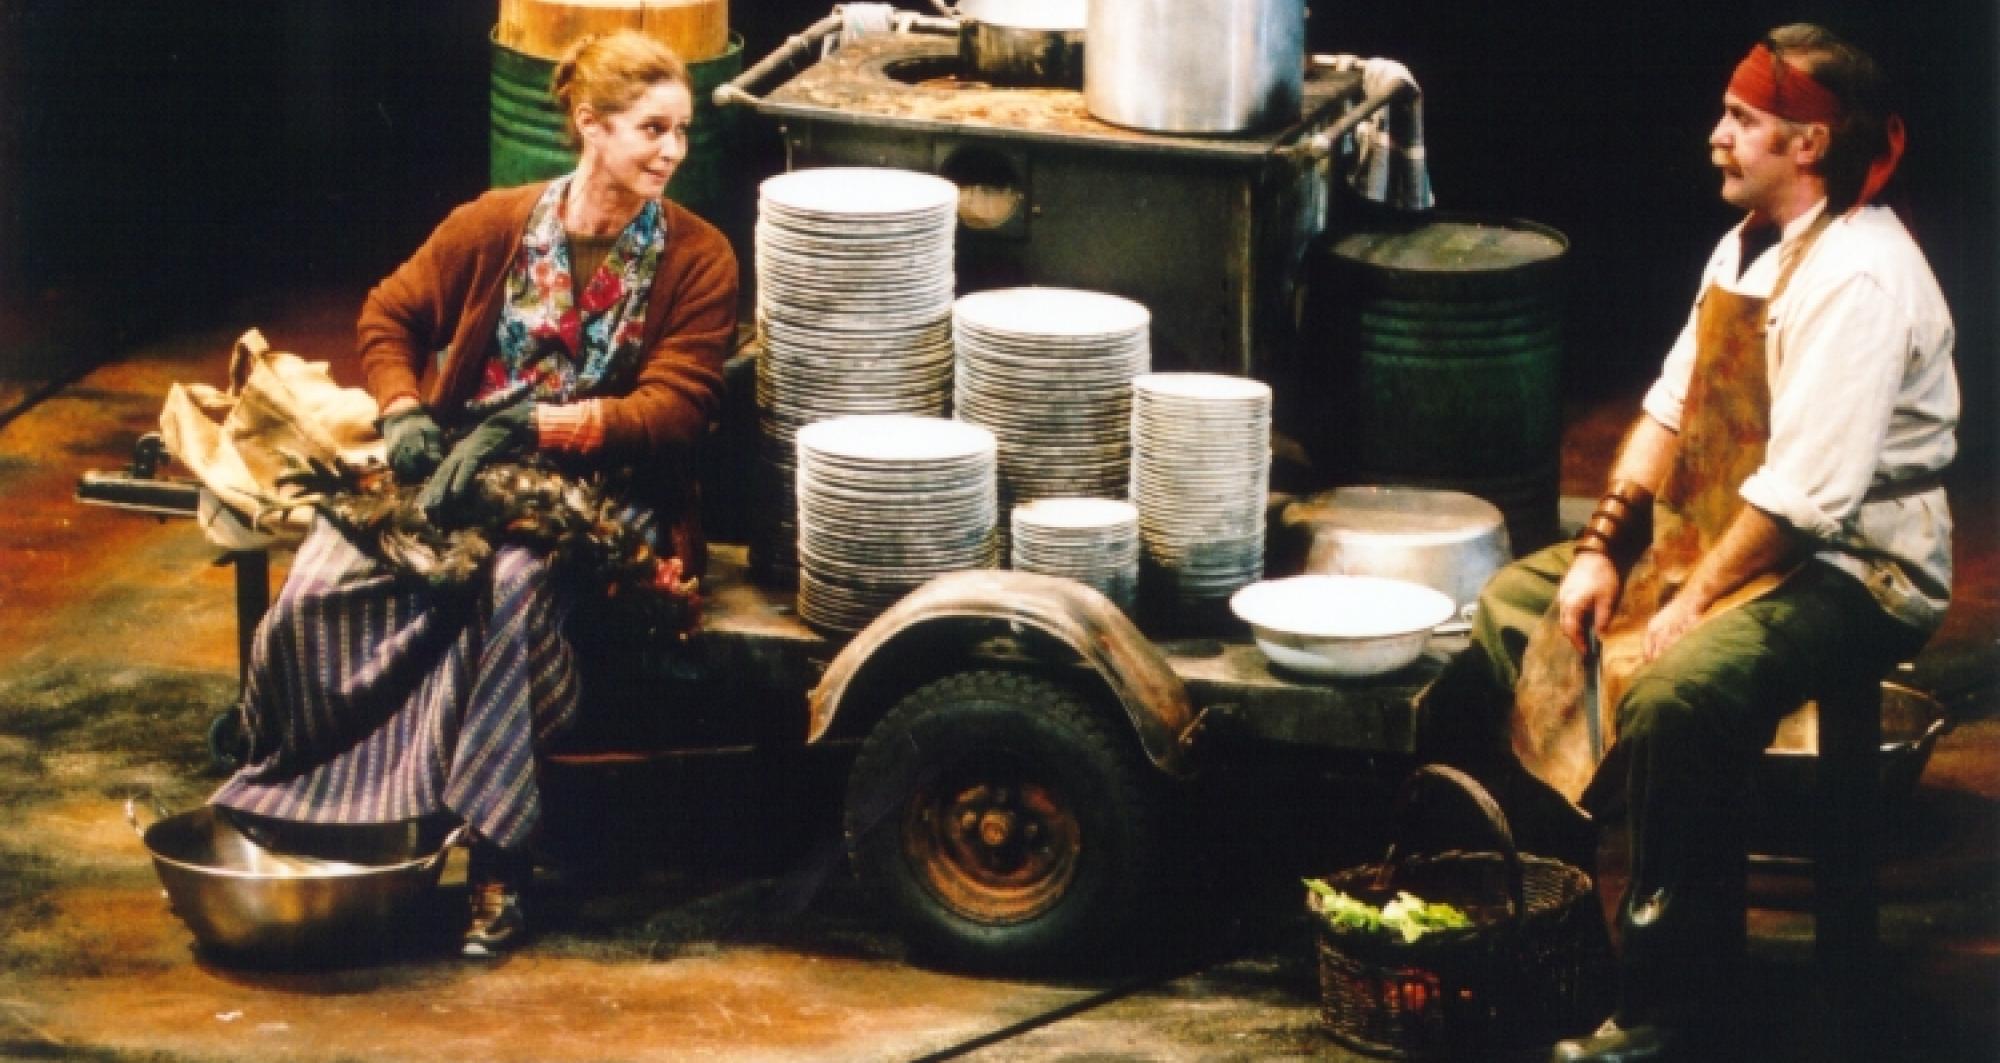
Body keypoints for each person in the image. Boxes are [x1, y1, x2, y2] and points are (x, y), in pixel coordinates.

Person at [1415, 24, 1956, 1061]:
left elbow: (1804, 501)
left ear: (1808, 143)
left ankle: (1672, 1005)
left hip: (1858, 566)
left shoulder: (1859, 276)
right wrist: (1600, 549)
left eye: (1742, 119)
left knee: (1679, 691)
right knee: (1519, 605)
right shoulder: (1745, 245)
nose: (1716, 135)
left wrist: (1690, 601)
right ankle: (1569, 916)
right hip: (1735, 530)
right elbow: (1667, 410)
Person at [210, 29, 739, 957]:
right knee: (325, 577)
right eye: (653, 129)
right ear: (591, 125)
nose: (673, 151)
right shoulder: (497, 224)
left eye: (682, 132)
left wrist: (541, 426)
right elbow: (390, 312)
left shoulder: (698, 257)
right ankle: (290, 776)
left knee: (508, 591)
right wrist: (405, 408)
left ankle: (499, 860)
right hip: (465, 466)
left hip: (600, 496)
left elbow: (676, 408)